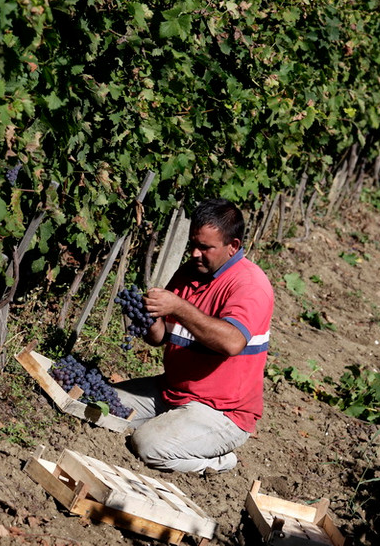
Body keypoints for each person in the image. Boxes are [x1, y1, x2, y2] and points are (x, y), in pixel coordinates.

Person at [113, 198, 274, 474]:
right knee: (103, 405)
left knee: (148, 445)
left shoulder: (250, 285)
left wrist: (178, 307)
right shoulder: (190, 272)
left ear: (232, 246)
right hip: (172, 392)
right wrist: (149, 317)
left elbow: (232, 342)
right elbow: (159, 337)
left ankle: (219, 462)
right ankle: (172, 428)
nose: (196, 253)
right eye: (193, 245)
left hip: (222, 413)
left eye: (205, 247)